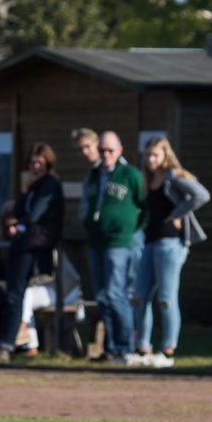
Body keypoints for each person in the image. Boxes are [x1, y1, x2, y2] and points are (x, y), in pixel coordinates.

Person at [0, 142, 65, 363]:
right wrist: (25, 191)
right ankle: (5, 343)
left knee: (15, 295)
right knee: (14, 294)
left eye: (40, 163)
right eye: (32, 163)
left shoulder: (50, 185)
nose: (35, 167)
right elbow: (16, 213)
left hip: (34, 247)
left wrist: (22, 223)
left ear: (48, 164)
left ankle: (5, 346)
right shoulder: (33, 186)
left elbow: (34, 215)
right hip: (22, 244)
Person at [130, 136, 210, 368]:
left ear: (165, 155)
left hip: (170, 243)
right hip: (150, 241)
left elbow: (201, 195)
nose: (151, 159)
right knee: (139, 296)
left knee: (166, 297)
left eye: (155, 154)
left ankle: (167, 349)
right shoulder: (147, 179)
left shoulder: (172, 177)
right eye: (148, 154)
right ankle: (142, 348)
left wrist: (177, 214)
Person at [82, 131, 143, 363]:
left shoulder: (130, 174)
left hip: (119, 242)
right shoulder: (94, 174)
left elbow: (143, 206)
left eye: (110, 150)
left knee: (117, 295)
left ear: (119, 151)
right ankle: (109, 348)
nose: (106, 155)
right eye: (103, 150)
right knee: (102, 297)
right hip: (96, 241)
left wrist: (131, 229)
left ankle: (125, 346)